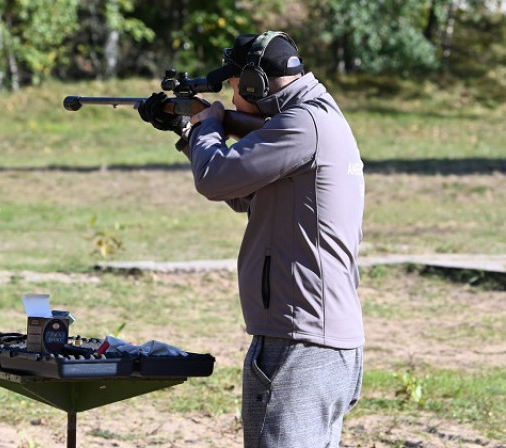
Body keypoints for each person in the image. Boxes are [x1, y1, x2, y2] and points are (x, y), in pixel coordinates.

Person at [139, 31, 365, 448]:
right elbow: (242, 193)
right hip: (319, 337)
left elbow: (215, 179)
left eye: (233, 84)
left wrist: (207, 126)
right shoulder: (316, 118)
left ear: (254, 85)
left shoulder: (303, 124)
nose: (230, 92)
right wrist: (192, 134)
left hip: (300, 338)